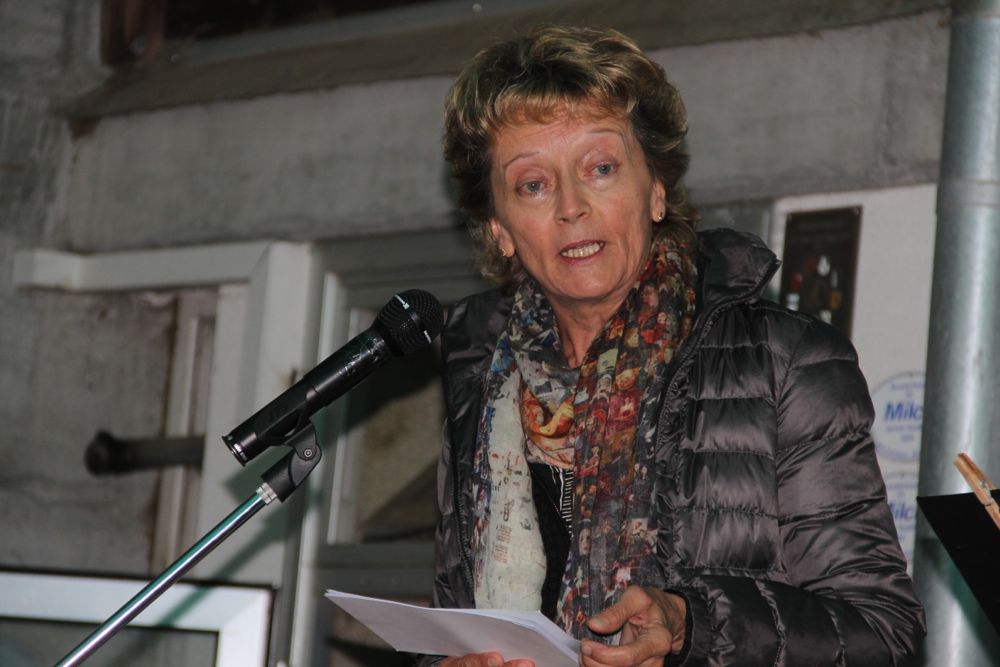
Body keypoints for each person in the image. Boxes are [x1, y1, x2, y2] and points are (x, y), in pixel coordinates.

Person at [419, 25, 925, 667]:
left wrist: (693, 626)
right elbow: (455, 622)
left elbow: (884, 634)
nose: (572, 207)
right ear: (500, 229)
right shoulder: (480, 387)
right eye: (533, 185)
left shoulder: (783, 363)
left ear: (656, 189)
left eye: (601, 169)